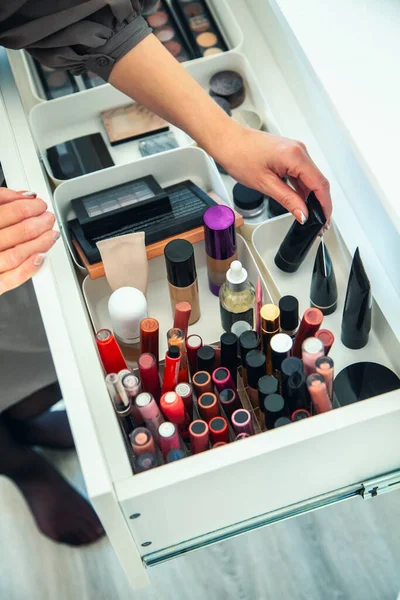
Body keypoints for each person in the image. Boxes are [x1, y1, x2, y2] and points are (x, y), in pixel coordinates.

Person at [0, 1, 332, 546]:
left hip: (16, 223)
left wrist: (221, 135)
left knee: (46, 348)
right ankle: (19, 463)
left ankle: (25, 425)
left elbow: (49, 8)